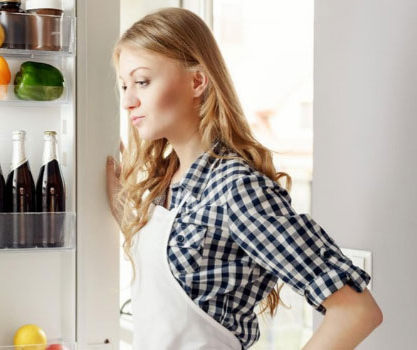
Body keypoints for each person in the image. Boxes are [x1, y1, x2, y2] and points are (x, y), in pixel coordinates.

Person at [105, 8, 382, 350]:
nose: (128, 100)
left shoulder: (236, 188)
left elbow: (356, 311)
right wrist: (119, 201)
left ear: (197, 81)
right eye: (124, 85)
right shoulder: (167, 185)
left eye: (142, 81)